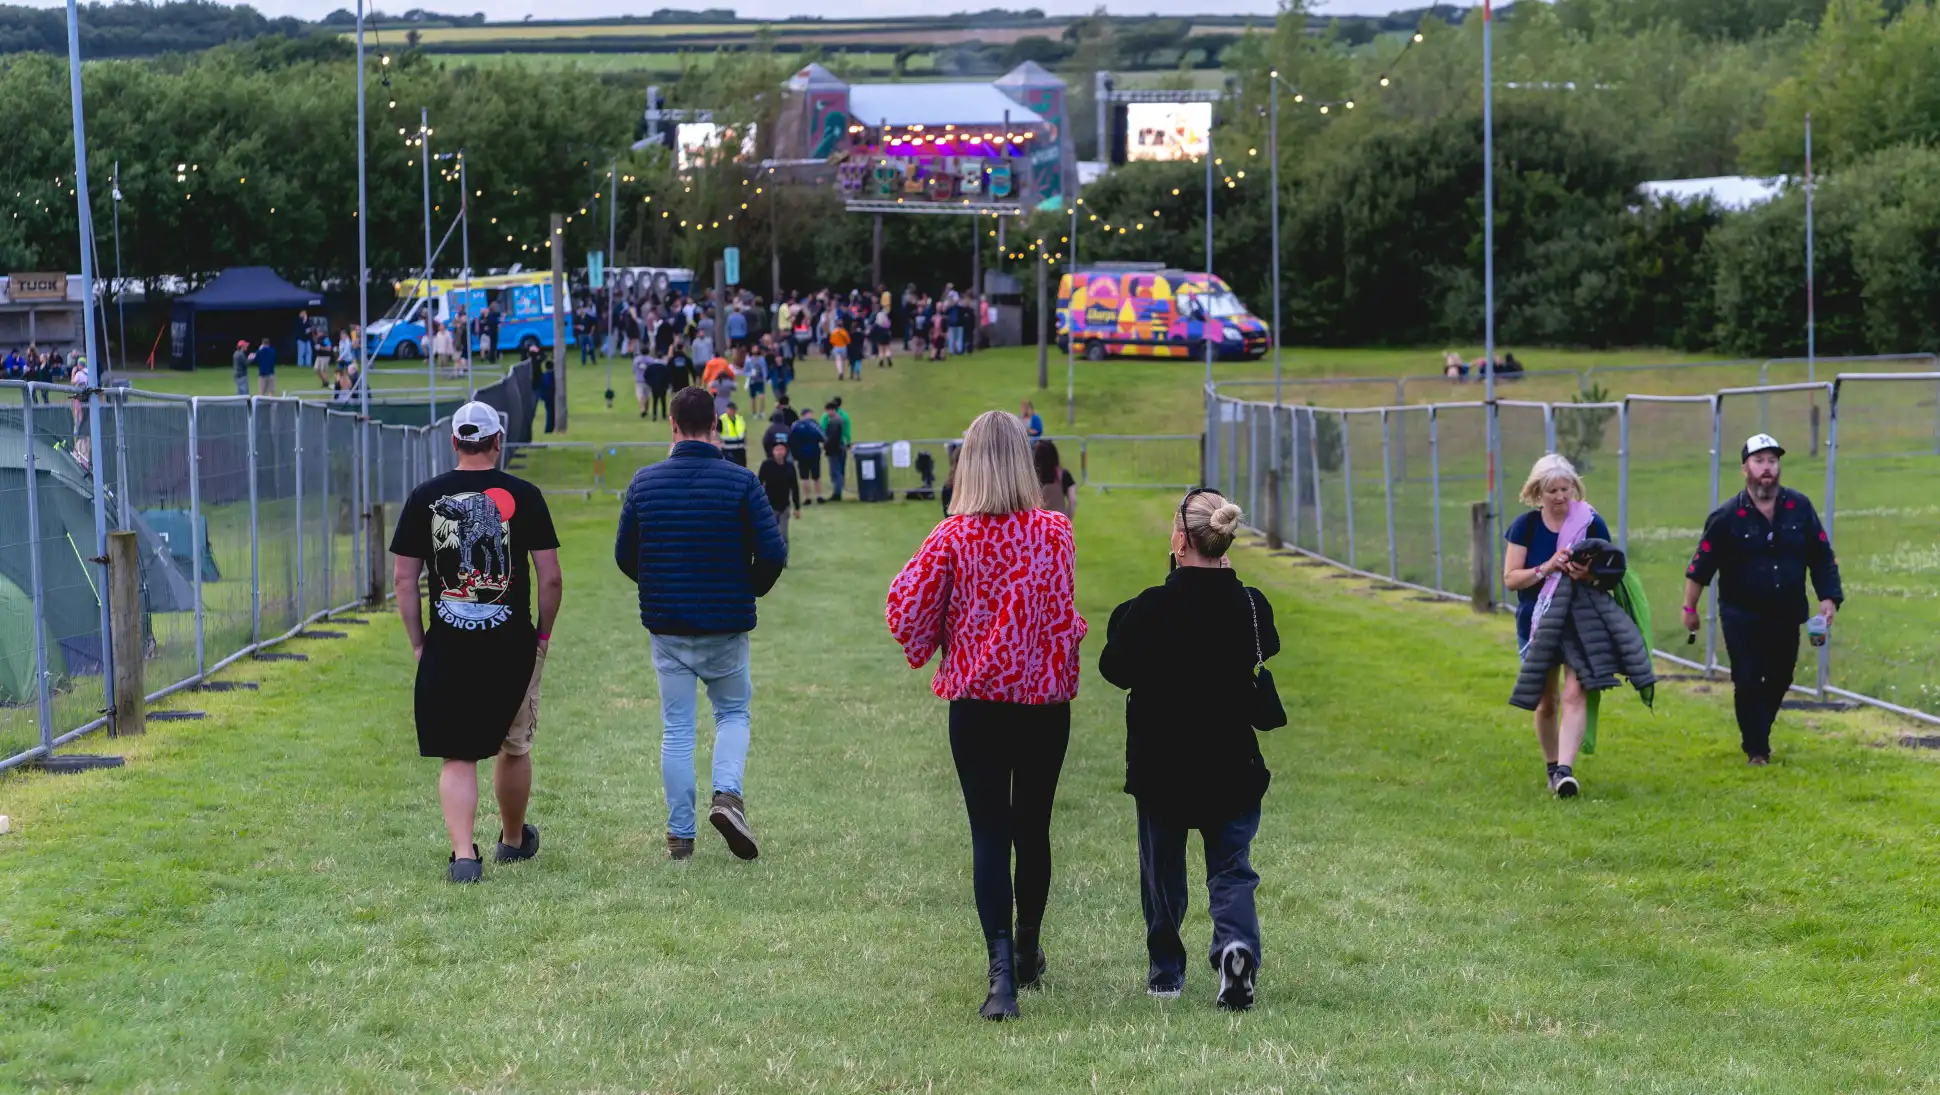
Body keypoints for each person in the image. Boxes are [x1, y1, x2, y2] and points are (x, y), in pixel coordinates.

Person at [885, 409, 1086, 1021]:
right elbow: (1060, 617)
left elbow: (904, 611)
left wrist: (949, 628)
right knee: (1034, 827)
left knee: (990, 832)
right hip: (1044, 704)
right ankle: (1027, 950)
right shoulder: (1056, 532)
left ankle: (1002, 974)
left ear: (967, 464)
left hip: (977, 704)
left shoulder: (952, 537)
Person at [1099, 489, 1277, 1010]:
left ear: (1179, 539)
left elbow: (1115, 669)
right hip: (1231, 760)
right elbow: (1263, 643)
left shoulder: (1147, 609)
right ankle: (1236, 948)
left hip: (1163, 764)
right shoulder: (1250, 605)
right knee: (1231, 868)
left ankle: (1165, 971)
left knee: (1162, 872)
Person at [390, 402, 563, 883]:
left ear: (453, 443)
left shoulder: (425, 496)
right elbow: (549, 579)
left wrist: (421, 645)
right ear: (497, 441)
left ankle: (464, 855)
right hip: (512, 645)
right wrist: (542, 637)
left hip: (449, 645)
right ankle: (511, 840)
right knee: (514, 744)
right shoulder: (524, 495)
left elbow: (405, 581)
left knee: (458, 752)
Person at [614, 386, 788, 861]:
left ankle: (680, 835)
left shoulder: (644, 484)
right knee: (732, 713)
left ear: (671, 426)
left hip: (668, 625)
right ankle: (727, 795)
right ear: (715, 426)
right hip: (725, 625)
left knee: (676, 728)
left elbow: (624, 555)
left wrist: (656, 585)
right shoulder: (742, 483)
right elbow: (773, 552)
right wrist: (747, 587)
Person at [1683, 434, 1844, 765]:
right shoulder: (1727, 516)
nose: (1767, 468)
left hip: (1786, 611)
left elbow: (1821, 555)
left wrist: (1828, 598)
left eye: (1772, 460)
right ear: (1745, 468)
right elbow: (1701, 566)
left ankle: (1759, 732)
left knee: (1781, 676)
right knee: (1747, 677)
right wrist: (1690, 608)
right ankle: (1756, 749)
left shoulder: (1799, 507)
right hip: (1741, 613)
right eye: (1759, 461)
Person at [1502, 454, 1610, 797]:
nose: (1560, 497)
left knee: (1575, 691)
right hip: (1537, 621)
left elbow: (1614, 571)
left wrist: (1589, 574)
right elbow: (1511, 579)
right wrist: (1546, 568)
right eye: (1552, 491)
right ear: (1538, 492)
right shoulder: (1526, 527)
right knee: (1546, 700)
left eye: (1566, 489)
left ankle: (1565, 771)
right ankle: (1552, 766)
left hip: (1580, 619)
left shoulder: (1591, 522)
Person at [758, 440, 802, 547]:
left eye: (782, 449)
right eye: (777, 449)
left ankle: (783, 560)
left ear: (786, 451)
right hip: (769, 506)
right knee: (770, 535)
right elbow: (758, 485)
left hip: (784, 506)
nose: (779, 452)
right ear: (773, 451)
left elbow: (794, 487)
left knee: (783, 535)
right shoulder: (766, 465)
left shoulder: (790, 467)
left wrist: (797, 507)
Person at [789, 408, 825, 504]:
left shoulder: (796, 425)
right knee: (816, 476)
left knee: (804, 477)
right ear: (809, 414)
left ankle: (807, 497)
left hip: (801, 455)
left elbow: (791, 441)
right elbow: (823, 437)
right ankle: (819, 496)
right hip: (814, 453)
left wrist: (795, 454)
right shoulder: (814, 424)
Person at [1033, 440, 1076, 517]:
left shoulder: (1033, 476)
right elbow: (1072, 500)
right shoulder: (1064, 475)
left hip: (1040, 521)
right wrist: (1069, 520)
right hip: (1060, 520)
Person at [822, 400, 850, 502]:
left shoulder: (834, 421)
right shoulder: (840, 419)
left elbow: (832, 438)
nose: (827, 413)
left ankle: (837, 493)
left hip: (835, 449)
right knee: (839, 470)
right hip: (840, 447)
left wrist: (826, 446)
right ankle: (838, 490)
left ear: (833, 410)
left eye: (828, 410)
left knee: (835, 471)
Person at [719, 400, 748, 467]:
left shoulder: (740, 418)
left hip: (740, 449)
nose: (732, 411)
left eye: (733, 409)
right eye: (730, 409)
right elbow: (716, 434)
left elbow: (744, 431)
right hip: (728, 450)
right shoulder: (722, 420)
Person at [644, 352, 670, 420]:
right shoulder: (664, 366)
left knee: (655, 401)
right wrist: (667, 384)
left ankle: (654, 415)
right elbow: (668, 376)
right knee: (663, 400)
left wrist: (650, 383)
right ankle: (663, 415)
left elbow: (646, 375)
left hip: (654, 385)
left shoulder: (651, 366)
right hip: (663, 385)